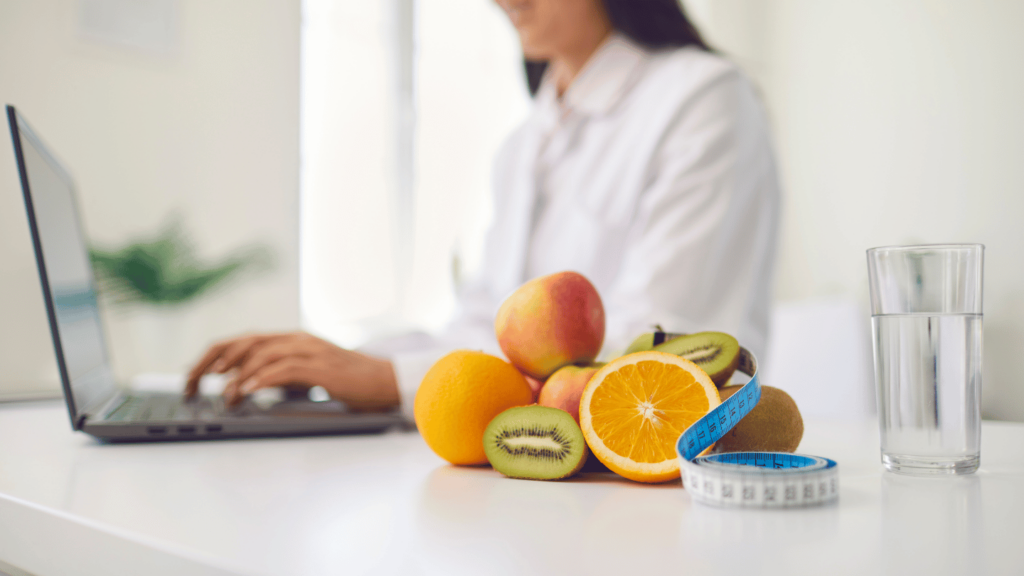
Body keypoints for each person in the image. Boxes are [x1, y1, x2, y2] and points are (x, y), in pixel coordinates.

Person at [185, 0, 780, 422]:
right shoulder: (525, 142)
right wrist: (336, 362)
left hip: (656, 473)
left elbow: (664, 346)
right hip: (539, 480)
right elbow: (481, 328)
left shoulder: (703, 99)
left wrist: (388, 382)